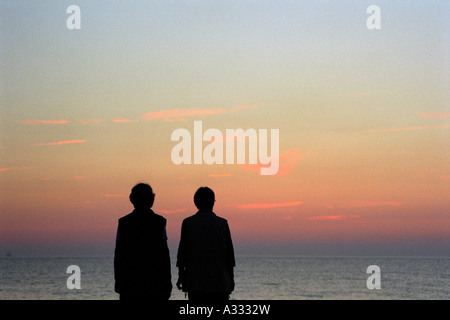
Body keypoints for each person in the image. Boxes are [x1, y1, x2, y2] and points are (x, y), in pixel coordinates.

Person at [114, 183, 172, 300]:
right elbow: (164, 255)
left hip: (130, 283)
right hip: (155, 282)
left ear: (132, 200)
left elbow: (119, 255)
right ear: (151, 200)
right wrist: (167, 282)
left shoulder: (124, 223)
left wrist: (119, 281)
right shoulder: (159, 222)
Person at [176, 187, 235, 302]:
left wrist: (181, 276)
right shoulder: (222, 224)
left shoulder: (188, 223)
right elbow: (229, 256)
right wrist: (231, 279)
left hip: (195, 282)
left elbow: (182, 253)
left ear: (195, 202)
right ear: (213, 202)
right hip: (219, 281)